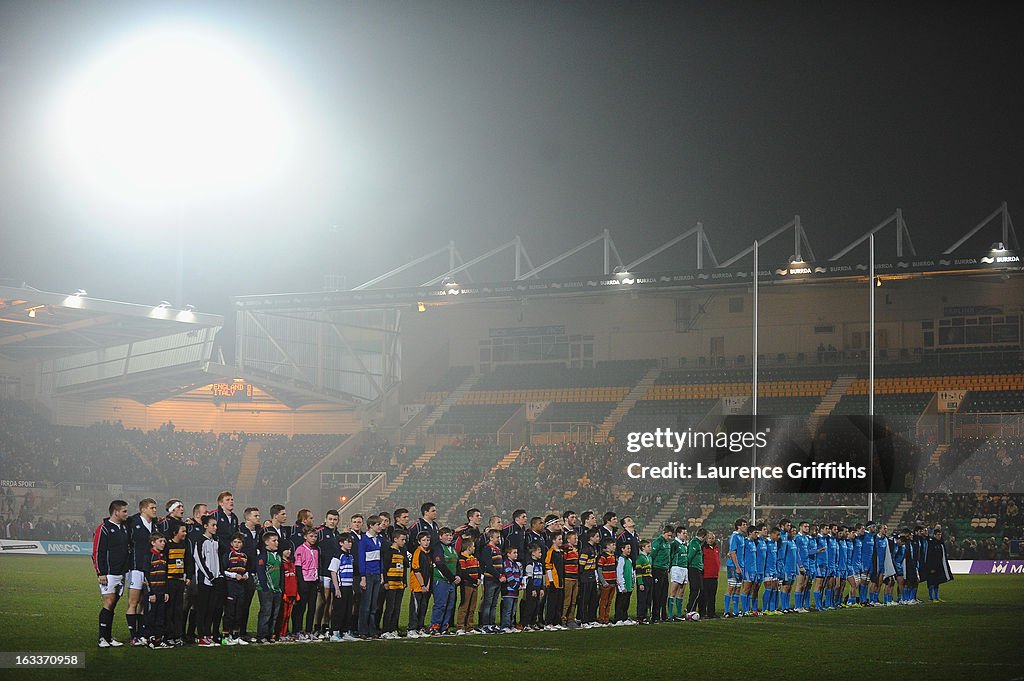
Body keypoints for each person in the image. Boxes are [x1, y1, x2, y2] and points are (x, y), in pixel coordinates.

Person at [93, 499, 130, 647]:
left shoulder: (124, 527)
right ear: (116, 512)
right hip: (109, 573)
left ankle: (108, 637)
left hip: (122, 572)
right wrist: (101, 572)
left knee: (113, 604)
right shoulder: (104, 528)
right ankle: (102, 637)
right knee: (108, 602)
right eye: (124, 511)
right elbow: (97, 552)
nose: (127, 514)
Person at [127, 497, 159, 644]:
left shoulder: (156, 524)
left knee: (145, 603)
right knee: (133, 601)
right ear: (143, 509)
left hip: (151, 569)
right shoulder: (133, 522)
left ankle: (142, 633)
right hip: (137, 568)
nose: (154, 510)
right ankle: (133, 635)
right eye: (152, 508)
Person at [193, 514, 222, 647]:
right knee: (202, 608)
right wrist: (209, 575)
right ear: (205, 526)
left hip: (215, 580)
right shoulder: (200, 541)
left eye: (216, 525)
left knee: (212, 608)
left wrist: (218, 574)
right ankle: (201, 636)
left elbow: (218, 561)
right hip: (205, 580)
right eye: (213, 525)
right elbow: (198, 559)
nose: (215, 528)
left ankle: (207, 634)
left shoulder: (215, 542)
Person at [315, 509, 341, 638]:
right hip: (324, 572)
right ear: (326, 519)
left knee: (331, 602)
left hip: (335, 573)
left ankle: (326, 625)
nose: (332, 521)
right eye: (330, 519)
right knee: (322, 601)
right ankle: (316, 626)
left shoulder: (338, 534)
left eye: (335, 519)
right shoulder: (320, 533)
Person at [357, 514, 384, 638]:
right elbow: (361, 559)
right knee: (366, 605)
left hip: (377, 574)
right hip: (368, 574)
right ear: (371, 526)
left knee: (374, 605)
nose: (380, 526)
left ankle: (372, 631)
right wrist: (363, 577)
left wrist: (382, 573)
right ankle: (363, 631)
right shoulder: (364, 540)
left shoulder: (378, 539)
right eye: (378, 524)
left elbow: (380, 558)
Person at [429, 527, 460, 635]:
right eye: (446, 535)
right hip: (441, 580)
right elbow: (440, 564)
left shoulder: (452, 548)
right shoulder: (438, 547)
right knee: (440, 604)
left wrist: (457, 576)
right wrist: (452, 578)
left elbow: (457, 563)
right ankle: (434, 627)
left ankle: (444, 627)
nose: (449, 537)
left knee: (449, 605)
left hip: (451, 581)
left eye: (450, 535)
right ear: (440, 536)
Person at [220, 533, 250, 645]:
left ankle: (236, 635)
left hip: (241, 585)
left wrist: (246, 575)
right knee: (230, 611)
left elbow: (246, 569)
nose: (237, 544)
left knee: (239, 610)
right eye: (235, 542)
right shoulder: (228, 555)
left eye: (239, 542)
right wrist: (234, 575)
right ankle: (225, 635)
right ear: (231, 543)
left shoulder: (244, 556)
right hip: (230, 585)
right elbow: (223, 570)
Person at [254, 532, 283, 644]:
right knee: (266, 612)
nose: (277, 543)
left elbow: (280, 573)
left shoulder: (278, 556)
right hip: (266, 589)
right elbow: (261, 573)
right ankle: (261, 636)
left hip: (276, 590)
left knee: (274, 614)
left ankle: (270, 634)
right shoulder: (263, 556)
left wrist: (280, 588)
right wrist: (265, 587)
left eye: (277, 540)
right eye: (274, 541)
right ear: (266, 542)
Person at [143, 532, 170, 648]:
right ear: (153, 543)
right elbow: (146, 575)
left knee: (160, 617)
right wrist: (150, 593)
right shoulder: (149, 556)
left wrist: (166, 591)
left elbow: (166, 575)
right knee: (151, 616)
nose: (163, 543)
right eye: (160, 541)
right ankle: (149, 639)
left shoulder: (164, 556)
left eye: (164, 541)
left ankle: (159, 639)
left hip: (161, 592)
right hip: (153, 593)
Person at [292, 527, 320, 640]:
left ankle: (309, 630)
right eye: (311, 536)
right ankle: (297, 630)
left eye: (315, 536)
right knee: (301, 608)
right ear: (305, 537)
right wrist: (301, 582)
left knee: (312, 607)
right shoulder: (300, 549)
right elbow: (298, 567)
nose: (313, 539)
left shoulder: (316, 550)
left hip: (313, 581)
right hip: (305, 581)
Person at [239, 507, 262, 641]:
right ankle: (236, 631)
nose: (258, 518)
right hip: (243, 573)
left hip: (254, 573)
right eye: (255, 516)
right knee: (240, 604)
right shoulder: (241, 532)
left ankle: (243, 631)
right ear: (248, 518)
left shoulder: (259, 532)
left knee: (247, 604)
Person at [163, 521, 188, 645]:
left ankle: (178, 636)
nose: (185, 533)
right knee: (169, 610)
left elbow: (187, 561)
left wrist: (187, 577)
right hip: (170, 580)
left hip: (180, 581)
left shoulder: (184, 545)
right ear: (175, 532)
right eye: (182, 531)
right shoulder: (168, 546)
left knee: (179, 610)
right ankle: (168, 635)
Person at [329, 532, 357, 641]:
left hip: (349, 587)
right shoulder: (338, 555)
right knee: (339, 610)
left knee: (348, 610)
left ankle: (345, 631)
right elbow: (333, 572)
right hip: (341, 587)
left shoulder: (350, 556)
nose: (350, 544)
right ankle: (335, 632)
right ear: (341, 543)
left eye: (351, 542)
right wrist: (336, 588)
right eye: (348, 542)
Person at [381, 528, 408, 639]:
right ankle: (385, 630)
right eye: (402, 539)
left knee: (397, 608)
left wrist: (404, 581)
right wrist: (386, 582)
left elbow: (404, 567)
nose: (404, 542)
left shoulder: (402, 551)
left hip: (399, 583)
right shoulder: (389, 552)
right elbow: (385, 567)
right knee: (390, 607)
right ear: (395, 539)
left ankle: (393, 629)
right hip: (391, 583)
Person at [407, 531, 433, 638]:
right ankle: (411, 628)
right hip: (418, 586)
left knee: (423, 607)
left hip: (426, 586)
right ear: (419, 542)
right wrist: (422, 585)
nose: (426, 542)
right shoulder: (417, 553)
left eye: (428, 540)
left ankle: (420, 627)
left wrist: (427, 585)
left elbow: (430, 571)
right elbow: (416, 570)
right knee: (415, 607)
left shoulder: (429, 553)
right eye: (423, 540)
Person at [479, 528, 505, 633]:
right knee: (488, 603)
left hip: (497, 580)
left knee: (494, 603)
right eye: (497, 537)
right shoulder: (487, 549)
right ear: (491, 538)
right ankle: (485, 625)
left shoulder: (497, 549)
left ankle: (492, 624)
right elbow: (488, 566)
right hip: (490, 579)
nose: (499, 539)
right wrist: (499, 576)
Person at [455, 531, 481, 634]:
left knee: (472, 607)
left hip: (474, 585)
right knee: (464, 606)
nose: (474, 548)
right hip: (467, 585)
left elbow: (478, 569)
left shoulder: (474, 558)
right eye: (473, 546)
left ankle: (470, 627)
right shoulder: (462, 558)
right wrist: (474, 580)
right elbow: (463, 573)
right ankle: (460, 627)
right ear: (469, 547)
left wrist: (478, 579)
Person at [577, 528, 600, 625]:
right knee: (584, 600)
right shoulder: (586, 549)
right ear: (591, 538)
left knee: (593, 599)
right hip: (586, 577)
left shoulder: (593, 548)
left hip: (592, 576)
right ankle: (583, 619)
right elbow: (581, 565)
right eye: (597, 536)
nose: (599, 539)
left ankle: (592, 619)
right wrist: (582, 577)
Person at [650, 525, 673, 622]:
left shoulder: (668, 543)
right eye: (668, 535)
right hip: (657, 570)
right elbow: (652, 556)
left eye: (671, 536)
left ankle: (663, 615)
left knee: (664, 594)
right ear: (663, 533)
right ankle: (654, 616)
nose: (670, 538)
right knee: (656, 594)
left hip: (664, 571)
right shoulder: (657, 542)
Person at [924, 527, 953, 602]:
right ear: (934, 535)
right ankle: (931, 598)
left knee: (937, 582)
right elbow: (929, 556)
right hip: (932, 567)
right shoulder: (931, 543)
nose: (939, 536)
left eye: (940, 534)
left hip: (938, 566)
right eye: (938, 534)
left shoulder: (940, 543)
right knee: (931, 582)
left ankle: (936, 597)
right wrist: (931, 567)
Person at [521, 543, 545, 630]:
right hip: (532, 588)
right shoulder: (530, 564)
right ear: (533, 553)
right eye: (539, 552)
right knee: (530, 607)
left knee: (536, 607)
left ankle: (533, 622)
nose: (541, 554)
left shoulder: (539, 564)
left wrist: (542, 588)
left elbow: (541, 577)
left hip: (538, 587)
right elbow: (529, 578)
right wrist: (533, 589)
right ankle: (526, 624)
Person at [544, 531, 565, 629]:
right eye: (559, 539)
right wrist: (551, 581)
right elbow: (548, 566)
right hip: (554, 582)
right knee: (551, 603)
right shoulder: (550, 552)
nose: (561, 541)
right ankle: (548, 623)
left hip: (560, 581)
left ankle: (557, 622)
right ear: (553, 540)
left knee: (558, 603)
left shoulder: (560, 552)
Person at [668, 526, 689, 620]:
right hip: (677, 568)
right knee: (673, 592)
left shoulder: (685, 544)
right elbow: (670, 556)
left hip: (684, 568)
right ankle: (670, 614)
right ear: (678, 534)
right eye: (684, 533)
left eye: (686, 533)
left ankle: (679, 614)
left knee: (681, 592)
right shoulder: (674, 544)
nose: (686, 535)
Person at [500, 546, 522, 632]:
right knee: (508, 610)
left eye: (517, 552)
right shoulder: (507, 563)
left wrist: (519, 584)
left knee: (513, 610)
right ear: (508, 554)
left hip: (515, 592)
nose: (516, 554)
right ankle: (505, 625)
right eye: (514, 553)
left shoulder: (516, 564)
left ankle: (511, 625)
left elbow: (519, 576)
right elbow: (509, 577)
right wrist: (517, 585)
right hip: (508, 591)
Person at [561, 530, 580, 627]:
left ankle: (571, 619)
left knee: (573, 600)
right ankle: (563, 619)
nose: (576, 540)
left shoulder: (575, 550)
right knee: (567, 600)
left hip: (575, 578)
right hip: (568, 578)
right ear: (568, 539)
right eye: (574, 538)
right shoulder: (566, 550)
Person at [278, 547, 298, 640]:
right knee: (283, 614)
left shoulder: (292, 563)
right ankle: (279, 632)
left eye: (290, 550)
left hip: (292, 592)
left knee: (287, 615)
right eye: (286, 549)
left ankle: (285, 632)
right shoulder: (281, 563)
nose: (289, 552)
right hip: (285, 592)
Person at [596, 538, 617, 624]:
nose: (615, 547)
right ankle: (601, 618)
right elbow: (599, 569)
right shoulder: (603, 556)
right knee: (604, 602)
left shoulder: (613, 556)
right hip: (606, 583)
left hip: (612, 582)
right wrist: (603, 582)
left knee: (609, 602)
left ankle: (606, 618)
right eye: (613, 545)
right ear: (607, 546)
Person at [686, 527, 706, 615]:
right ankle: (690, 609)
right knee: (696, 590)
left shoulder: (696, 543)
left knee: (697, 590)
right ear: (703, 536)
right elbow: (690, 556)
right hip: (694, 569)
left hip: (696, 569)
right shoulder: (694, 543)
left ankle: (691, 609)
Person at [613, 541, 634, 623]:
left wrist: (632, 583)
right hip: (623, 586)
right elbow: (619, 573)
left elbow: (631, 573)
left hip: (629, 586)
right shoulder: (621, 559)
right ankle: (618, 618)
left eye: (630, 548)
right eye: (627, 548)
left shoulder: (629, 560)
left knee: (626, 603)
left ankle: (624, 618)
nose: (629, 550)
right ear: (622, 549)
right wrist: (622, 586)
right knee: (621, 602)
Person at [701, 531, 720, 619]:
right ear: (706, 539)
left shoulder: (716, 547)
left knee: (713, 595)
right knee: (705, 595)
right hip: (706, 575)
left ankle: (711, 612)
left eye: (712, 538)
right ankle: (703, 612)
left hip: (714, 575)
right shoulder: (703, 548)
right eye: (709, 538)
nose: (711, 540)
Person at [634, 539, 652, 624]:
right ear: (643, 548)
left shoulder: (649, 557)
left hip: (649, 579)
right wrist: (640, 583)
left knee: (648, 599)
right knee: (642, 600)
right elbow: (638, 572)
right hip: (643, 580)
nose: (650, 548)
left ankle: (645, 616)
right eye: (648, 546)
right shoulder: (640, 558)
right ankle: (640, 617)